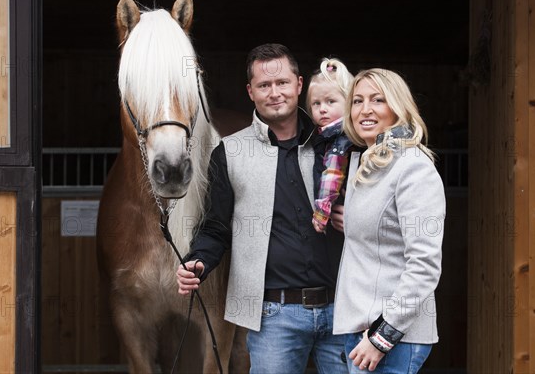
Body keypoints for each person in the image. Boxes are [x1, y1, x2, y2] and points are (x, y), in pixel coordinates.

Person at [177, 43, 348, 374]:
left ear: (299, 85)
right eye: (264, 85)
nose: (275, 93)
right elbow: (216, 227)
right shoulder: (230, 152)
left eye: (282, 83)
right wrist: (197, 260)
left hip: (344, 309)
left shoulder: (337, 144)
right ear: (250, 92)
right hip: (274, 316)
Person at [333, 68, 446, 373]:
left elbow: (424, 263)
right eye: (356, 101)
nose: (365, 109)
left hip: (391, 337)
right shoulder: (365, 162)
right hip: (358, 329)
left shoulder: (413, 167)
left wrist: (383, 336)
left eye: (377, 100)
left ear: (398, 107)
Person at [307, 57, 354, 234]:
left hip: (337, 213)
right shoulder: (324, 135)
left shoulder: (341, 138)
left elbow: (332, 174)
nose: (322, 109)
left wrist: (321, 211)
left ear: (348, 102)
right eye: (316, 103)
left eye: (330, 101)